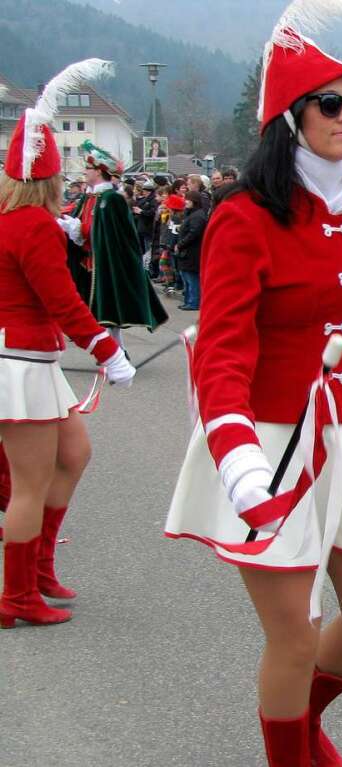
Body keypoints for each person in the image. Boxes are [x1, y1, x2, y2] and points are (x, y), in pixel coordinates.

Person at [163, 9, 342, 763]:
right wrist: (237, 459)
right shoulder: (245, 217)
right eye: (329, 104)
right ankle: (292, 751)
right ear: (288, 117)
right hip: (264, 440)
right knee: (293, 636)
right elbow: (224, 352)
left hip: (335, 431)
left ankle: (302, 726)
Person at [0, 59, 136, 630]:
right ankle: (15, 598)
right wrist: (108, 351)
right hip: (21, 361)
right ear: (52, 178)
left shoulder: (22, 221)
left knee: (74, 455)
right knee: (29, 485)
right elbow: (63, 301)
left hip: (32, 360)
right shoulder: (30, 225)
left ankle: (39, 571)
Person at [66, 140, 168, 353]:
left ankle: (116, 352)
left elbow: (115, 235)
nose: (85, 171)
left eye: (89, 168)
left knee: (109, 311)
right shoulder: (89, 197)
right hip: (88, 261)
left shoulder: (112, 199)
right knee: (95, 312)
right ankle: (114, 352)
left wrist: (78, 230)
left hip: (106, 263)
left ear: (100, 171)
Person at [174, 190, 207, 311]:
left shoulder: (198, 215)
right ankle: (188, 300)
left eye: (187, 199)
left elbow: (194, 233)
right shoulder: (191, 214)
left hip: (192, 251)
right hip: (187, 250)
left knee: (192, 278)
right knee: (186, 276)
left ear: (194, 201)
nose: (185, 202)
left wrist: (181, 244)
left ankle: (194, 302)